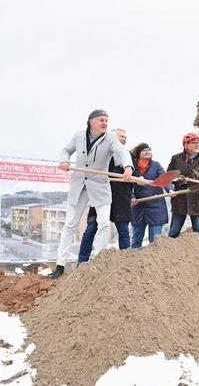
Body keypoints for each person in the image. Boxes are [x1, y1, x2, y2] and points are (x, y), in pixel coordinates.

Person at [52, 110, 134, 279]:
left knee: (103, 222)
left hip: (100, 186)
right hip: (79, 185)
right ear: (91, 121)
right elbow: (66, 150)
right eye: (101, 120)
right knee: (70, 224)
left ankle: (100, 260)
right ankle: (60, 264)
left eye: (106, 120)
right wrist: (64, 160)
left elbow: (122, 152)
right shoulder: (79, 135)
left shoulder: (110, 138)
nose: (105, 123)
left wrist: (128, 167)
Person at [78, 129, 133, 262]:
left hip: (121, 198)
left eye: (125, 137)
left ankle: (126, 263)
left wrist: (136, 181)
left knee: (123, 231)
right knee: (91, 229)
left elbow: (133, 179)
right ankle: (82, 261)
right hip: (101, 196)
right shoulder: (100, 154)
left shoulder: (127, 157)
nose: (124, 139)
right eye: (121, 136)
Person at [130, 143, 169, 247]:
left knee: (155, 241)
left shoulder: (156, 165)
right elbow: (126, 186)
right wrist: (132, 197)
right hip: (139, 206)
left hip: (155, 206)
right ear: (138, 153)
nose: (147, 152)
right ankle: (133, 261)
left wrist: (170, 190)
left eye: (149, 150)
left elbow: (164, 178)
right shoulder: (131, 167)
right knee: (136, 240)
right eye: (144, 150)